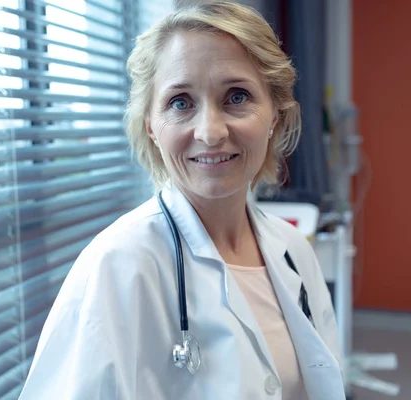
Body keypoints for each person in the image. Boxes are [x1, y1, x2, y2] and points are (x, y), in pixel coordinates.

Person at [18, 2, 345, 399]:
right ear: (152, 126)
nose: (210, 131)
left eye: (237, 97)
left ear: (274, 113)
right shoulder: (117, 266)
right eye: (180, 102)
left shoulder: (294, 250)